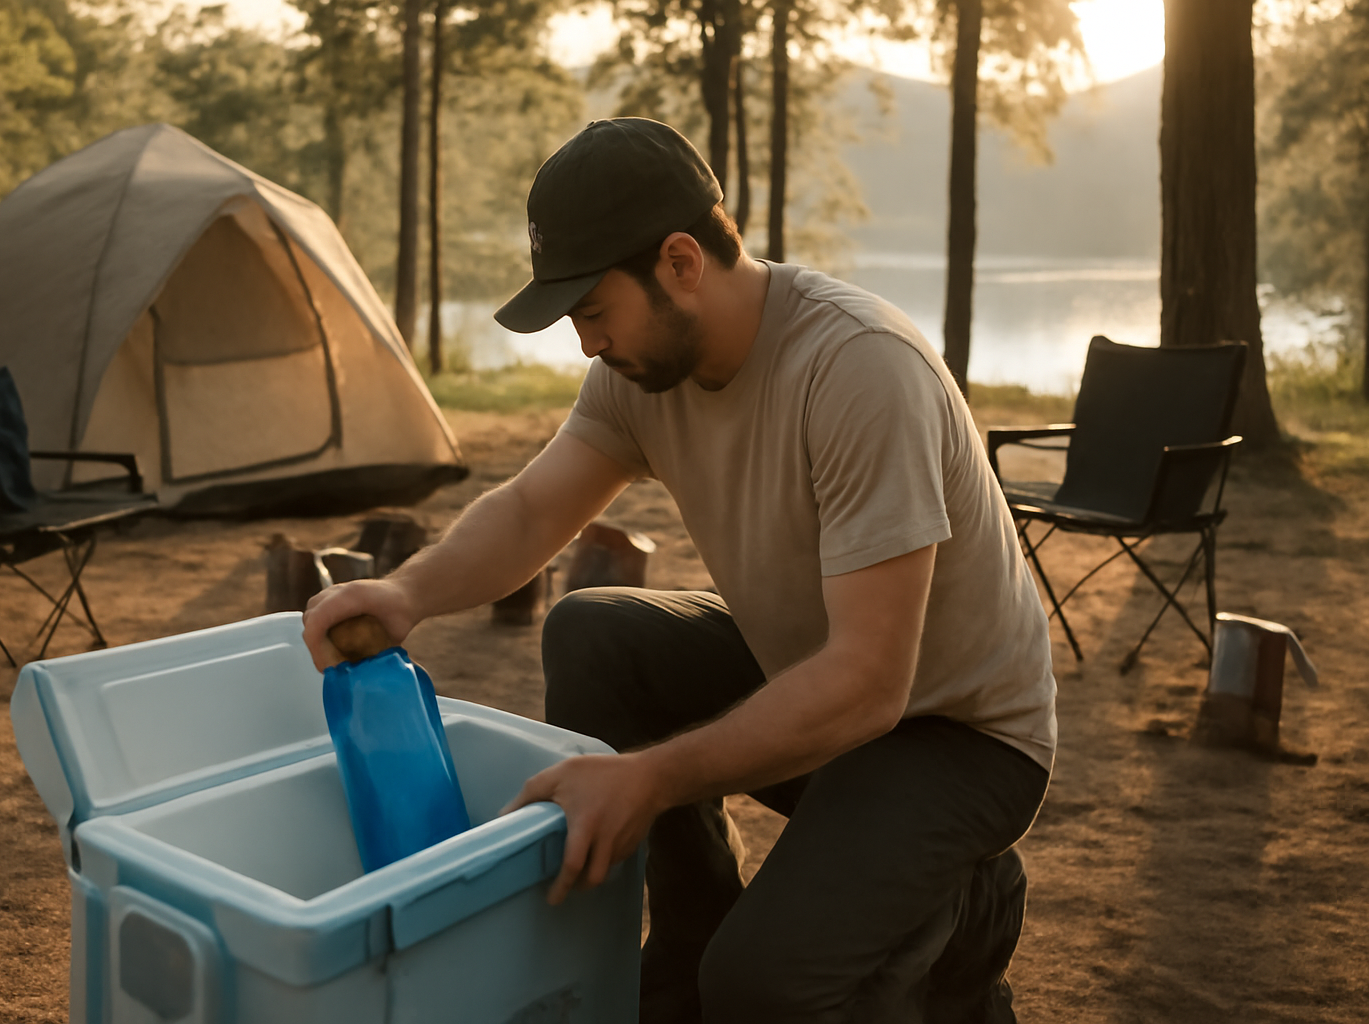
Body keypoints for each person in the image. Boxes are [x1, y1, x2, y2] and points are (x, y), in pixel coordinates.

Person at [302, 117, 1056, 1024]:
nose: (586, 344)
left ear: (681, 262)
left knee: (764, 988)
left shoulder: (858, 368)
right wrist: (406, 591)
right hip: (815, 681)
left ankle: (966, 907)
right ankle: (694, 937)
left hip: (955, 735)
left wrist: (647, 779)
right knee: (594, 633)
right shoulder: (636, 374)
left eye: (591, 310)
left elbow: (868, 683)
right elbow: (537, 508)